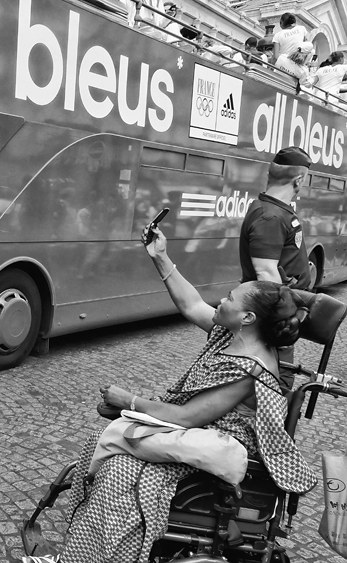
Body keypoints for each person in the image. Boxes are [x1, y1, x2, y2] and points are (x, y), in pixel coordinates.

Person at [24, 226, 315, 563]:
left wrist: (128, 402)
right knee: (108, 445)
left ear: (248, 318)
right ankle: (85, 550)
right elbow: (191, 303)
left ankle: (101, 555)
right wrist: (160, 257)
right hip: (192, 435)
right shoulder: (232, 334)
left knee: (120, 471)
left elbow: (186, 417)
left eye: (231, 299)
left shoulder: (250, 368)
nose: (222, 300)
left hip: (212, 453)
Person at [239, 146, 311, 392]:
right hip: (275, 317)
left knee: (278, 379)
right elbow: (266, 274)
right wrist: (285, 322)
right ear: (298, 179)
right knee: (277, 382)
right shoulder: (270, 216)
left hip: (279, 311)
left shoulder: (274, 210)